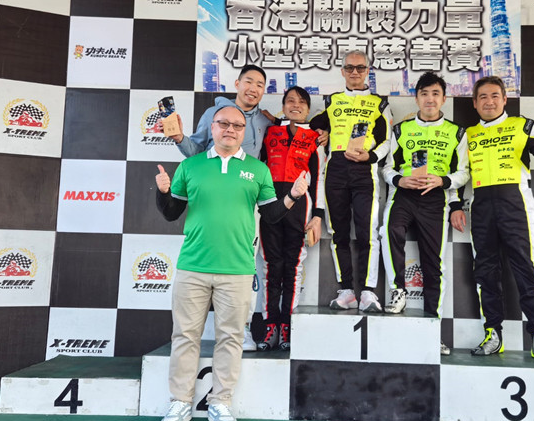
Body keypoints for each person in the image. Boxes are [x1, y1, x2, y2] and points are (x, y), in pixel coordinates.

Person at [155, 105, 308, 421]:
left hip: (237, 269)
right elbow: (171, 213)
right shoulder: (190, 166)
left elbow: (271, 216)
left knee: (230, 338)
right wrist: (163, 192)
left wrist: (293, 196)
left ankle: (220, 402)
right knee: (185, 336)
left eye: (237, 126)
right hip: (193, 266)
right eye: (223, 123)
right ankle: (180, 402)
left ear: (244, 132)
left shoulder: (258, 170)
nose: (230, 129)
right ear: (212, 127)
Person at [450, 76, 534, 364]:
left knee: (527, 270)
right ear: (474, 103)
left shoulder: (522, 125)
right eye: (483, 96)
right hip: (482, 208)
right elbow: (460, 173)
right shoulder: (467, 134)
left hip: (517, 207)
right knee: (485, 272)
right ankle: (493, 334)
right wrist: (455, 205)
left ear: (504, 99)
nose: (489, 101)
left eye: (495, 96)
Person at [161, 65, 273, 352]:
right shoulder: (213, 114)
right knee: (204, 272)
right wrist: (179, 138)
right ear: (237, 83)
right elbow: (196, 151)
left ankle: (243, 328)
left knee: (249, 267)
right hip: (211, 198)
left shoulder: (265, 120)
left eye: (260, 84)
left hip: (246, 202)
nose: (253, 88)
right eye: (248, 81)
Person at [380, 72, 468, 355]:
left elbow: (464, 172)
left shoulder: (457, 132)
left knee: (434, 264)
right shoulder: (401, 130)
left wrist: (443, 182)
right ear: (416, 98)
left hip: (435, 199)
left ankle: (433, 331)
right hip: (404, 194)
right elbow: (386, 168)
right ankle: (398, 290)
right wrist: (399, 180)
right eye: (424, 94)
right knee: (389, 230)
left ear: (444, 98)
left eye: (435, 94)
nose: (430, 99)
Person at [309, 50, 391, 312]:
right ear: (342, 71)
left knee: (368, 232)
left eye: (360, 68)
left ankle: (368, 291)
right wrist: (321, 131)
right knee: (338, 233)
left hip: (365, 170)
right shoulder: (331, 101)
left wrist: (371, 157)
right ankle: (346, 290)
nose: (355, 72)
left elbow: (388, 141)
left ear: (368, 71)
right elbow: (312, 126)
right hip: (335, 169)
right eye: (350, 68)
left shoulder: (380, 103)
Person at [256, 86, 326, 351]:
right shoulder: (269, 132)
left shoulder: (316, 139)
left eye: (301, 102)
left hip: (300, 206)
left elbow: (318, 179)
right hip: (269, 202)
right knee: (271, 265)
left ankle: (287, 324)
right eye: (290, 101)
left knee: (293, 266)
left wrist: (317, 215)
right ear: (283, 106)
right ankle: (270, 325)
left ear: (308, 108)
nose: (295, 105)